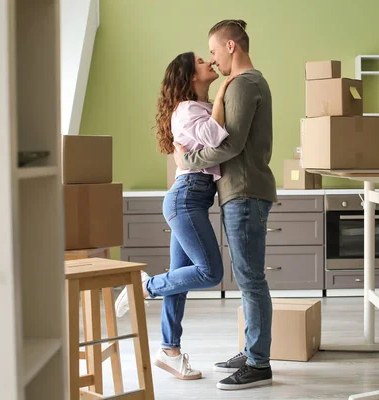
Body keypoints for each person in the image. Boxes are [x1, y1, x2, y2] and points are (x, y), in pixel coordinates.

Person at [115, 51, 235, 381]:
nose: (208, 62)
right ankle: (146, 287)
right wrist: (223, 92)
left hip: (192, 198)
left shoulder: (197, 108)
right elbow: (215, 138)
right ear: (189, 76)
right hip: (186, 198)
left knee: (179, 280)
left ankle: (169, 350)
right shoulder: (187, 109)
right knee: (210, 272)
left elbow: (207, 146)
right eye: (200, 60)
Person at [173, 19, 277, 391]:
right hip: (243, 189)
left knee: (250, 279)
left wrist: (188, 161)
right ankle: (252, 352)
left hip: (245, 190)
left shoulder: (242, 84)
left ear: (231, 46)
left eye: (214, 52)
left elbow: (229, 145)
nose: (214, 61)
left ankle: (259, 363)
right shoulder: (245, 84)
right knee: (247, 278)